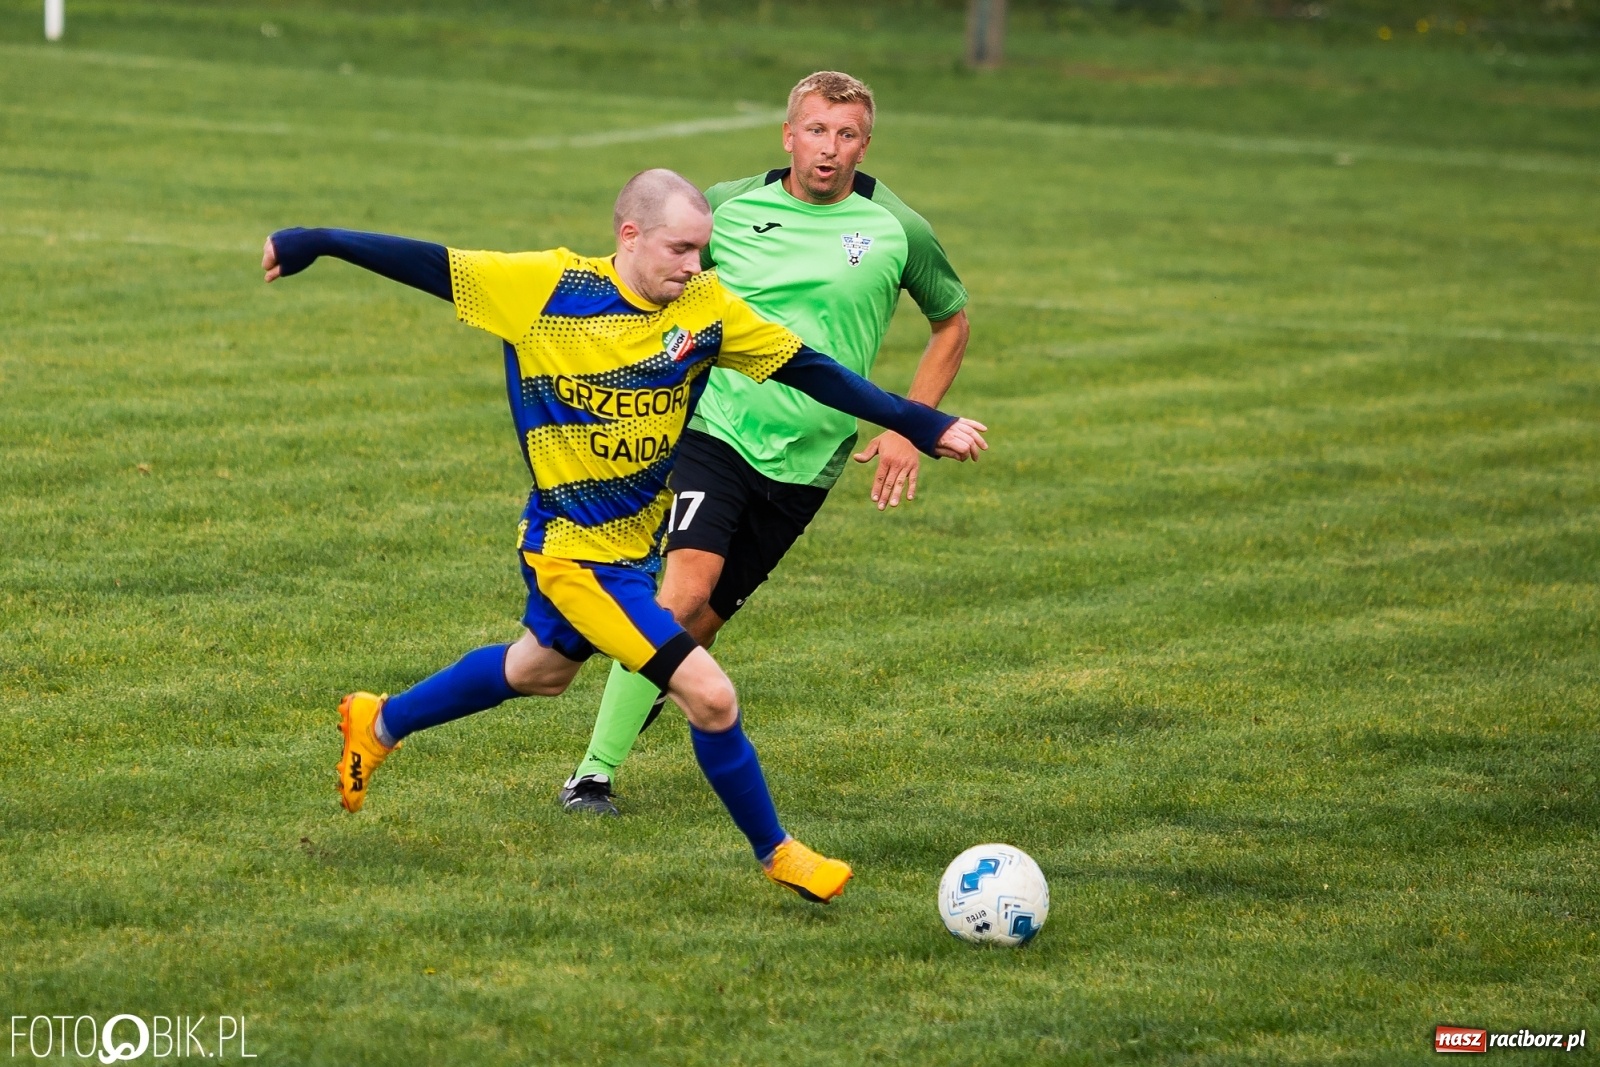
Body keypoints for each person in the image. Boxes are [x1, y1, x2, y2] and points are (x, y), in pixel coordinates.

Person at [260, 168, 988, 904]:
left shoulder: (703, 309)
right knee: (711, 695)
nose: (694, 267)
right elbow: (429, 263)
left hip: (632, 549)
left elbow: (812, 369)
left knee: (539, 670)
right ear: (630, 236)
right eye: (680, 249)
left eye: (702, 250)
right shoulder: (545, 288)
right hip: (572, 553)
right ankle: (779, 853)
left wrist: (919, 422)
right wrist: (317, 241)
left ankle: (378, 719)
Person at [560, 72, 972, 816]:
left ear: (865, 144)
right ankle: (591, 775)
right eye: (816, 131)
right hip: (716, 428)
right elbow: (658, 280)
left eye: (846, 135)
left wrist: (912, 424)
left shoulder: (896, 227)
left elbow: (952, 320)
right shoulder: (727, 206)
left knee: (698, 629)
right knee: (679, 597)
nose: (829, 150)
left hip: (808, 463)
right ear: (788, 134)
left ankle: (638, 742)